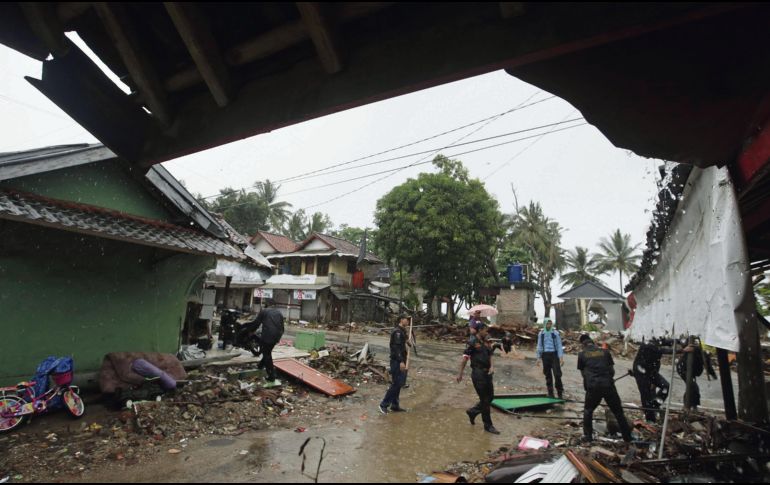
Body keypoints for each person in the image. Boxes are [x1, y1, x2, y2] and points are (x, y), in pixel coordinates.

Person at [578, 334, 633, 443]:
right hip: (608, 386)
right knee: (618, 412)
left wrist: (588, 387)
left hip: (593, 387)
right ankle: (627, 437)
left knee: (588, 411)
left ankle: (588, 437)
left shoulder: (582, 355)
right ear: (592, 342)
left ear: (582, 344)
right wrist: (607, 379)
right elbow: (612, 372)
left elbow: (584, 374)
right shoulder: (605, 352)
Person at [631, 338, 694, 422]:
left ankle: (654, 406)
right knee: (646, 396)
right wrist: (682, 350)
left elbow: (667, 341)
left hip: (651, 371)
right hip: (641, 372)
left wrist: (679, 341)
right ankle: (650, 419)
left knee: (665, 386)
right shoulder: (648, 343)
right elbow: (662, 350)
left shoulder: (657, 339)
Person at [457, 323, 500, 435]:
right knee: (485, 400)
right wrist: (460, 374)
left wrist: (492, 366)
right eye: (485, 330)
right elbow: (465, 359)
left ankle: (473, 411)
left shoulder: (486, 341)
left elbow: (490, 355)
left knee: (490, 397)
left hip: (487, 373)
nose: (487, 332)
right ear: (480, 330)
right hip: (478, 373)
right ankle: (488, 425)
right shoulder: (472, 342)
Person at [242, 303, 285, 382]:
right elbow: (282, 327)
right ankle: (260, 366)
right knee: (267, 351)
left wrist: (250, 331)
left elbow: (256, 323)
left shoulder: (264, 311)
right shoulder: (279, 313)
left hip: (268, 335)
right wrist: (278, 337)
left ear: (266, 306)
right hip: (277, 335)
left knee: (267, 354)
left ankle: (271, 376)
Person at [380, 315, 411, 414]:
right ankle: (383, 404)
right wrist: (401, 361)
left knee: (399, 383)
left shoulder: (402, 331)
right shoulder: (397, 332)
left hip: (401, 360)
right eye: (407, 320)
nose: (408, 322)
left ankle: (395, 405)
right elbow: (396, 348)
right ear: (402, 320)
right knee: (397, 383)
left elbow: (404, 339)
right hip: (397, 361)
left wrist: (407, 341)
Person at [536, 318, 564, 399]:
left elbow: (559, 346)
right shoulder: (541, 334)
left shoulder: (555, 333)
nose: (549, 325)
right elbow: (539, 346)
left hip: (554, 355)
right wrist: (538, 358)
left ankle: (560, 393)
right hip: (545, 356)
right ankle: (550, 393)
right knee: (548, 375)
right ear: (544, 324)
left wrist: (561, 358)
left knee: (557, 375)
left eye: (550, 323)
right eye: (547, 323)